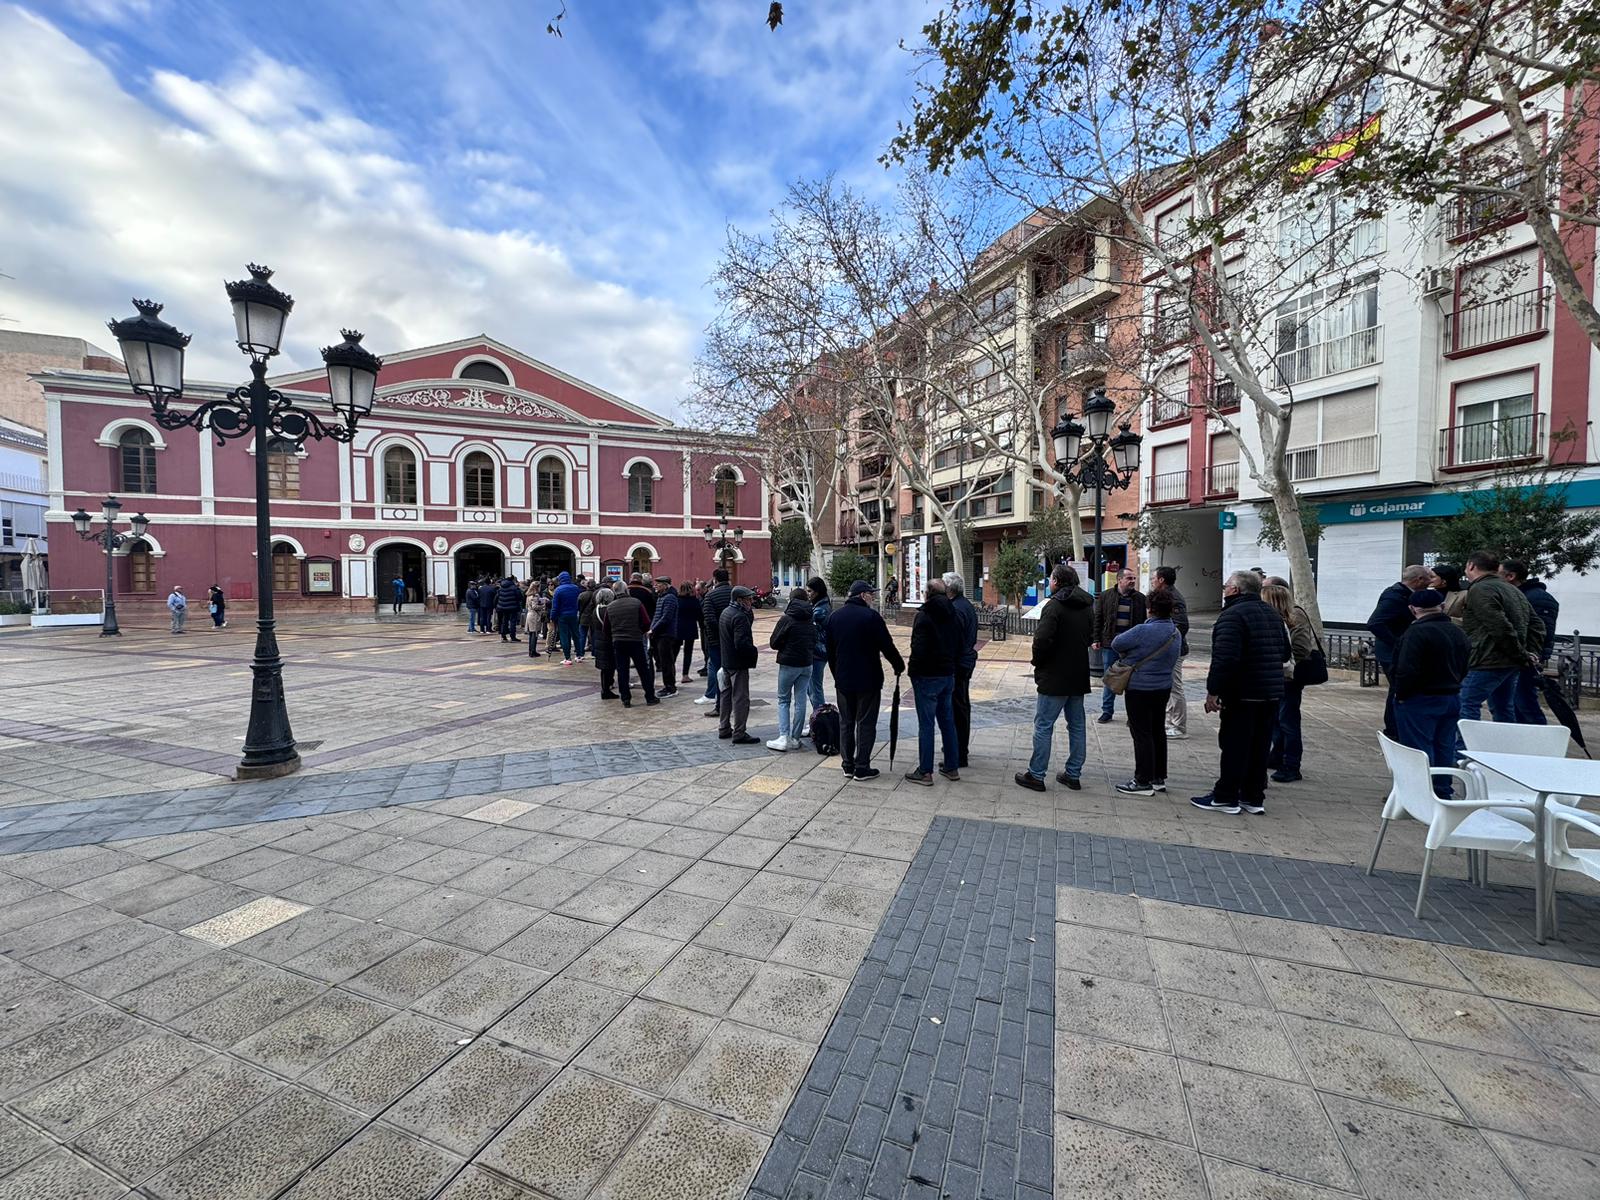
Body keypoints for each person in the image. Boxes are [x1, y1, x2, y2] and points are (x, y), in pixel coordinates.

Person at [1192, 571, 1290, 815]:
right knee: (1259, 746)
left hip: (1243, 692)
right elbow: (1284, 653)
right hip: (1269, 692)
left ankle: (1226, 796)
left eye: (1226, 586)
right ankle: (1253, 796)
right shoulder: (1272, 614)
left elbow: (1225, 659)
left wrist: (1213, 692)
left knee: (1235, 745)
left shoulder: (1232, 616)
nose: (1224, 589)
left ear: (1235, 590)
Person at [1015, 564, 1094, 792]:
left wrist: (1038, 662)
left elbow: (1041, 640)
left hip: (1054, 675)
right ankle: (1073, 773)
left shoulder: (1054, 606)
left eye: (1051, 578)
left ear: (1057, 581)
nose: (1049, 582)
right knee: (1077, 725)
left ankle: (1037, 774)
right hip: (1078, 674)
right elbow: (1090, 636)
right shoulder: (1087, 605)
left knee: (1043, 725)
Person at [1391, 587, 1472, 796]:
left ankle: (1419, 793)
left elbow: (1406, 669)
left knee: (1418, 748)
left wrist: (1400, 694)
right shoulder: (1458, 632)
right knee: (1444, 745)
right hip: (1451, 695)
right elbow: (1465, 665)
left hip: (1420, 697)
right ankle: (1442, 788)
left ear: (1412, 609)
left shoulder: (1416, 632)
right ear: (1442, 606)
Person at [826, 580, 905, 780]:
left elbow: (830, 652)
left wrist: (837, 675)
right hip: (868, 680)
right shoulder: (871, 617)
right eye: (871, 594)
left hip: (843, 680)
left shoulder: (834, 617)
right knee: (866, 723)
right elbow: (887, 646)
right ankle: (862, 766)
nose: (873, 597)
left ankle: (847, 765)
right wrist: (898, 665)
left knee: (846, 722)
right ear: (862, 595)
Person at [1109, 589, 1183, 796]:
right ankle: (1158, 776)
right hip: (1162, 687)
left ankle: (1142, 780)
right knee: (1157, 730)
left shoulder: (1143, 630)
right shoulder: (1175, 632)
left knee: (1141, 733)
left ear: (1150, 609)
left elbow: (1117, 643)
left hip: (1140, 688)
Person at [1460, 550, 1544, 727]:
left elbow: (1499, 626)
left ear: (1471, 566)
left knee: (1466, 703)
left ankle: (1464, 751)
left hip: (1487, 660)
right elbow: (1537, 625)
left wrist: (1522, 654)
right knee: (1503, 707)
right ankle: (1506, 749)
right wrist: (1530, 652)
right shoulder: (1513, 589)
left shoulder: (1480, 589)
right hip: (1510, 662)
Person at [904, 578, 962, 786]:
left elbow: (917, 648)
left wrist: (913, 672)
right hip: (947, 674)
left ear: (927, 593)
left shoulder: (924, 615)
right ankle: (951, 767)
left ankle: (925, 771)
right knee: (947, 721)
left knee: (926, 724)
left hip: (927, 676)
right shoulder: (953, 613)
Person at [1366, 564, 1432, 738]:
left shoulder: (1404, 594)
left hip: (1396, 650)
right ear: (1418, 580)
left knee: (1398, 690)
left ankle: (1396, 728)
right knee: (1398, 690)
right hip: (1392, 653)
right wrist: (1398, 644)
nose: (1430, 582)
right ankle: (1394, 730)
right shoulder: (1395, 596)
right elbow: (1375, 623)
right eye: (1427, 579)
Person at [1263, 583, 1317, 783]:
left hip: (1289, 678)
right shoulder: (1276, 619)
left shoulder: (1294, 617)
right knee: (1277, 719)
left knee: (1288, 720)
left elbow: (1302, 649)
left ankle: (1292, 764)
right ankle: (1278, 755)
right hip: (1278, 676)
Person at [1501, 558, 1558, 726]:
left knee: (1525, 703)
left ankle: (1539, 744)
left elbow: (1541, 632)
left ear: (1510, 576)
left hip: (1526, 660)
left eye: (1498, 573)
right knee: (1515, 703)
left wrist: (1532, 654)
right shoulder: (1516, 595)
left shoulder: (1537, 598)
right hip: (1515, 657)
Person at [1092, 568, 1147, 724]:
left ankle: (1132, 714)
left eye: (1134, 578)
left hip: (1132, 647)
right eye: (1129, 578)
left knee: (1132, 681)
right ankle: (1107, 711)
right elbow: (1098, 619)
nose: (1132, 581)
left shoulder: (1140, 599)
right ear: (1119, 579)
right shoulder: (1105, 596)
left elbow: (1144, 623)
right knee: (1110, 678)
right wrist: (1096, 638)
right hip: (1110, 645)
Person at [768, 586, 818, 751]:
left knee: (783, 700)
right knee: (801, 700)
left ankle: (783, 737)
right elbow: (815, 641)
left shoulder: (787, 619)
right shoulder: (810, 618)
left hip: (789, 664)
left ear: (791, 600)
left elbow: (774, 642)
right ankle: (796, 739)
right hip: (807, 664)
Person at [944, 572, 979, 769]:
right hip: (964, 661)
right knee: (960, 705)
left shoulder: (956, 609)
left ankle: (959, 753)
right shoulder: (964, 604)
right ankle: (957, 747)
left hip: (958, 664)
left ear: (949, 589)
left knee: (957, 708)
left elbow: (953, 640)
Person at [718, 586, 760, 744]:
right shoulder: (739, 616)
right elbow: (741, 643)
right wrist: (753, 652)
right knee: (741, 698)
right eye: (748, 599)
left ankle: (724, 727)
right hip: (738, 663)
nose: (751, 602)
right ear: (739, 600)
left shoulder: (726, 612)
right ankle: (739, 731)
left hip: (727, 661)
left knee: (726, 695)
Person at [604, 582, 657, 707]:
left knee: (622, 671)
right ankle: (650, 697)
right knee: (643, 669)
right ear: (626, 590)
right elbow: (646, 622)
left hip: (618, 641)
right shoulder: (636, 603)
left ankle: (626, 698)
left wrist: (615, 635)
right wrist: (640, 632)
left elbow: (606, 628)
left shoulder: (610, 607)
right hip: (635, 640)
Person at [1151, 567, 1189, 741]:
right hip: (1165, 650)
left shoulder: (1174, 598)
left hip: (1173, 650)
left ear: (1161, 580)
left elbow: (1182, 625)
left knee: (1175, 687)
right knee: (1168, 686)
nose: (1152, 580)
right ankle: (1169, 721)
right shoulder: (1166, 595)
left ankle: (1179, 726)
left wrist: (1165, 639)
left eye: (1154, 578)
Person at [699, 568, 733, 709]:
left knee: (717, 669)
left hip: (716, 640)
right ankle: (732, 703)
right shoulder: (734, 593)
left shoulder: (710, 596)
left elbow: (709, 620)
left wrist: (720, 632)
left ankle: (719, 704)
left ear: (715, 579)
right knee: (732, 672)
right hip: (733, 639)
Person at [649, 576, 681, 697]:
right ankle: (667, 685)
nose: (655, 586)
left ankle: (670, 687)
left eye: (658, 584)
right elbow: (657, 616)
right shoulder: (661, 597)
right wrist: (652, 628)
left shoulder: (670, 598)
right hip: (659, 634)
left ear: (665, 585)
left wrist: (653, 629)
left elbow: (666, 617)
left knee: (667, 661)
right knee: (664, 661)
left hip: (666, 634)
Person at [807, 577, 832, 712]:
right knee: (810, 688)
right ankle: (818, 717)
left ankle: (821, 719)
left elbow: (818, 633)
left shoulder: (820, 610)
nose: (808, 594)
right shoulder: (818, 606)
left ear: (817, 592)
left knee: (814, 688)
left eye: (810, 591)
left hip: (818, 653)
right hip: (818, 652)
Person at [550, 571, 582, 665]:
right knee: (576, 635)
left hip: (562, 616)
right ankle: (579, 655)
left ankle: (567, 658)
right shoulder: (576, 588)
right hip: (573, 614)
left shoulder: (558, 590)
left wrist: (552, 617)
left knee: (564, 636)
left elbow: (555, 606)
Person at [593, 587, 619, 699]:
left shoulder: (596, 609)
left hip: (599, 641)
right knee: (610, 667)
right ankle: (607, 690)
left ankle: (605, 689)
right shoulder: (610, 610)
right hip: (608, 641)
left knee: (604, 668)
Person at [677, 581, 703, 683]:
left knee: (674, 652)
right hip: (690, 628)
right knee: (688, 652)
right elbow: (699, 616)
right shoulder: (694, 601)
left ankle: (672, 673)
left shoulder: (677, 600)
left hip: (678, 628)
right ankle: (685, 675)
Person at [577, 581, 598, 661]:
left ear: (587, 586)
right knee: (594, 635)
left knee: (582, 636)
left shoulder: (582, 595)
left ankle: (580, 653)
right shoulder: (596, 594)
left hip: (584, 617)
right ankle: (594, 652)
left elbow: (578, 607)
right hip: (594, 617)